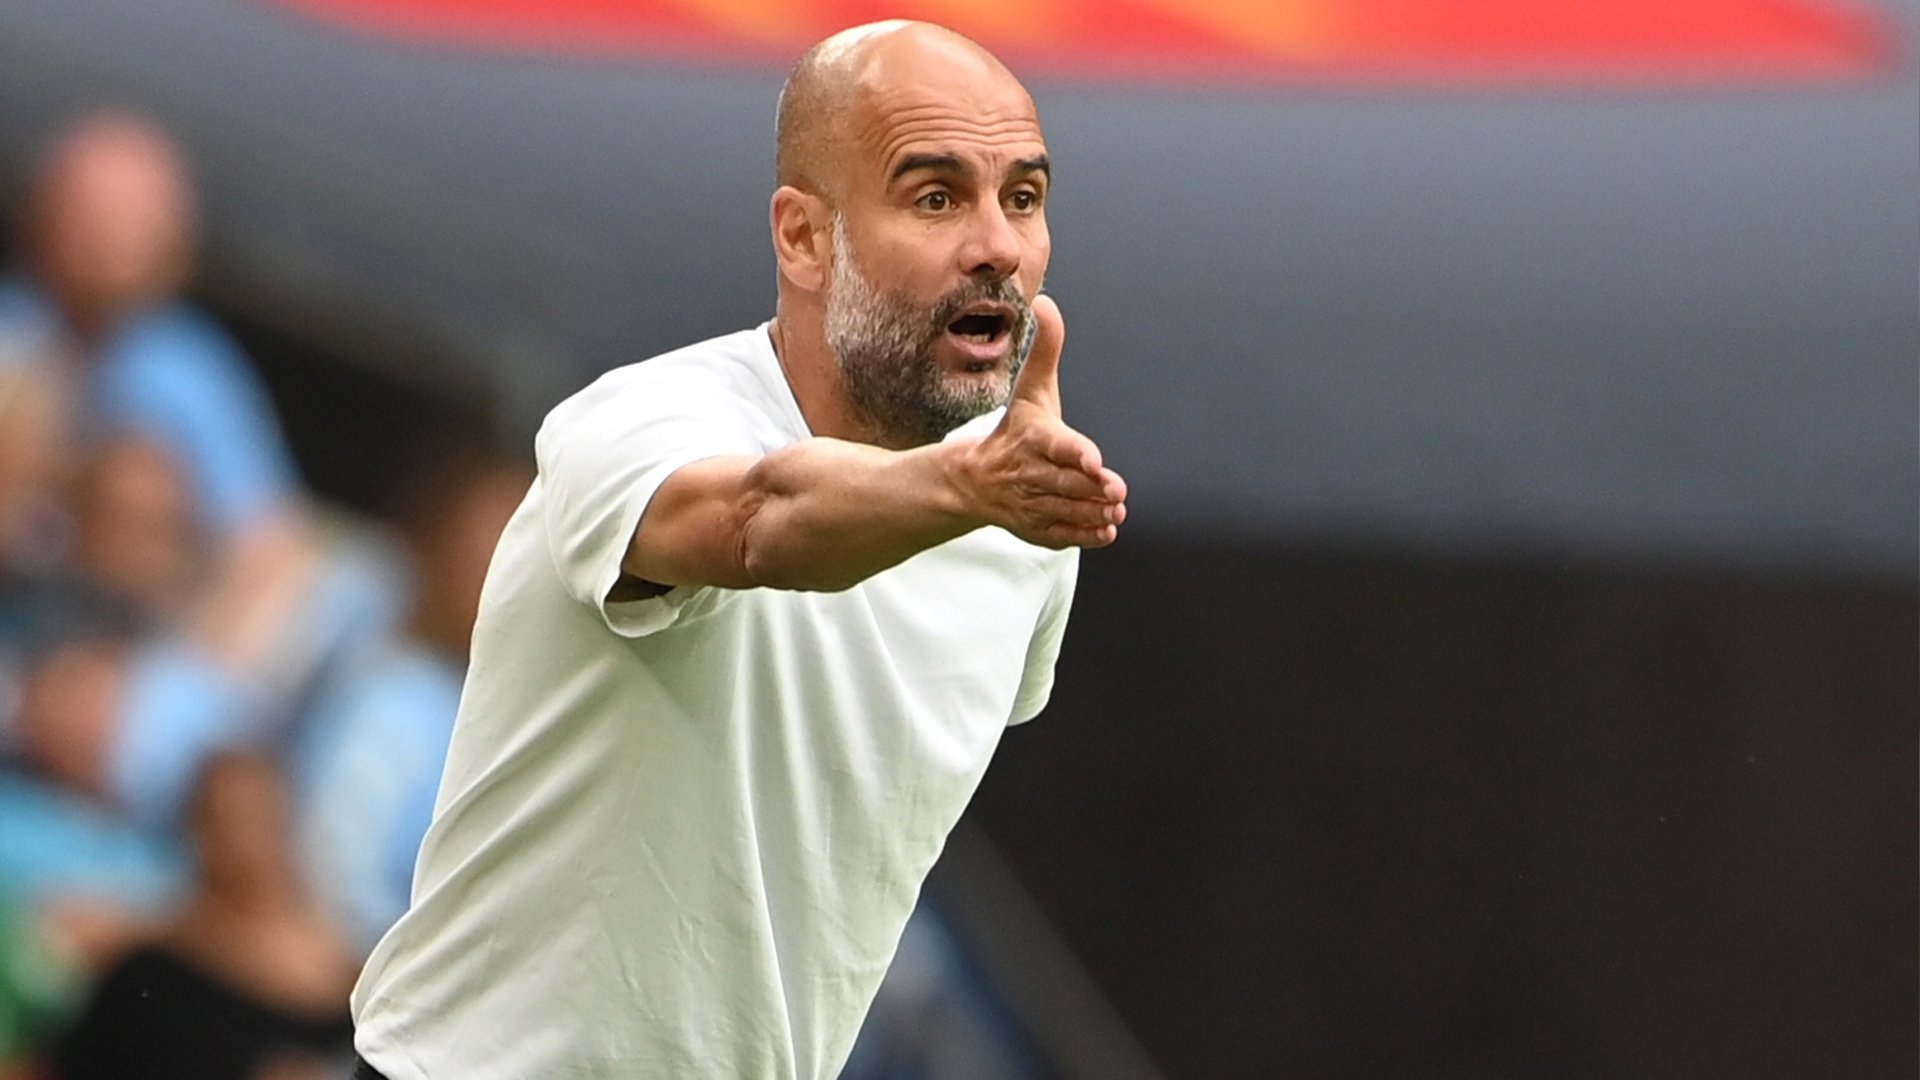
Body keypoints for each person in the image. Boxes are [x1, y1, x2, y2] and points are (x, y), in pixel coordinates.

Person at [348, 20, 1127, 1080]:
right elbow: (759, 522)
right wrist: (964, 488)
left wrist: (981, 493)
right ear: (804, 238)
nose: (997, 245)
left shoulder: (1018, 524)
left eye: (1023, 197)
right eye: (936, 197)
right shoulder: (637, 422)